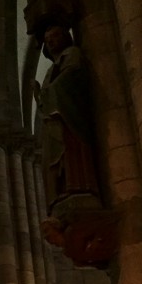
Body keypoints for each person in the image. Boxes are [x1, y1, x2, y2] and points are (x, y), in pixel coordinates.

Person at [34, 21, 99, 214]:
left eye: (55, 36)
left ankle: (78, 186)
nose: (51, 41)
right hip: (56, 119)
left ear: (65, 36)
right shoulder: (50, 69)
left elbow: (71, 79)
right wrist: (40, 96)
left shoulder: (72, 54)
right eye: (47, 40)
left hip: (69, 119)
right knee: (57, 158)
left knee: (72, 153)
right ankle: (61, 190)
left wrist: (46, 93)